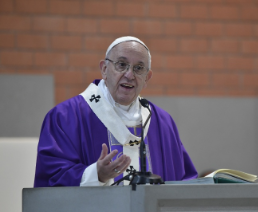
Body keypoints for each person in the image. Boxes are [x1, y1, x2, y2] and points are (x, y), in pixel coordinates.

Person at [34, 36, 198, 187]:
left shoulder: (161, 122)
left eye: (139, 68)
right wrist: (96, 175)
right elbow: (51, 176)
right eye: (121, 65)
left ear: (147, 78)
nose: (129, 75)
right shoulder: (66, 117)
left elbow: (183, 182)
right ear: (104, 69)